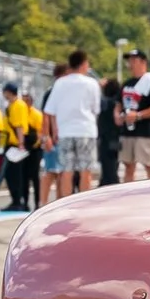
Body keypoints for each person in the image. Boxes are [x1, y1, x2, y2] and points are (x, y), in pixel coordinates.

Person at [40, 51, 101, 205]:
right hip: (86, 130)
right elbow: (96, 109)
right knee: (85, 171)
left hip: (65, 132)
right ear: (83, 64)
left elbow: (49, 110)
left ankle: (66, 206)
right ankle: (84, 205)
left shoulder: (60, 83)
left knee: (66, 171)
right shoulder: (91, 83)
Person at [118, 48, 150, 183]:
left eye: (134, 60)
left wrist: (138, 115)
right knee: (128, 166)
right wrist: (119, 115)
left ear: (143, 62)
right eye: (129, 60)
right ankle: (128, 195)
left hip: (145, 132)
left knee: (149, 165)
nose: (130, 63)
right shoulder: (126, 84)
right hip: (127, 132)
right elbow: (119, 104)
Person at [0, 79, 43, 212]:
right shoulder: (14, 105)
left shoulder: (17, 106)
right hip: (12, 143)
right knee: (15, 175)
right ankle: (18, 200)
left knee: (14, 175)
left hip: (15, 145)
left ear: (8, 92)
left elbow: (19, 126)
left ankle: (18, 201)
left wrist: (20, 143)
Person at [96, 70, 124, 189]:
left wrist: (98, 85)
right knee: (113, 166)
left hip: (105, 139)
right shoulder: (117, 104)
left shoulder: (105, 103)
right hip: (117, 138)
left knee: (107, 168)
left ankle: (109, 187)